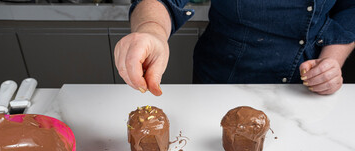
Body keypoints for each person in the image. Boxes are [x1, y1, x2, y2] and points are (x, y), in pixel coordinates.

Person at [114, 0, 355, 96]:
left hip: (306, 91)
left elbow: (349, 8)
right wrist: (151, 31)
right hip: (224, 84)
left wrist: (330, 62)